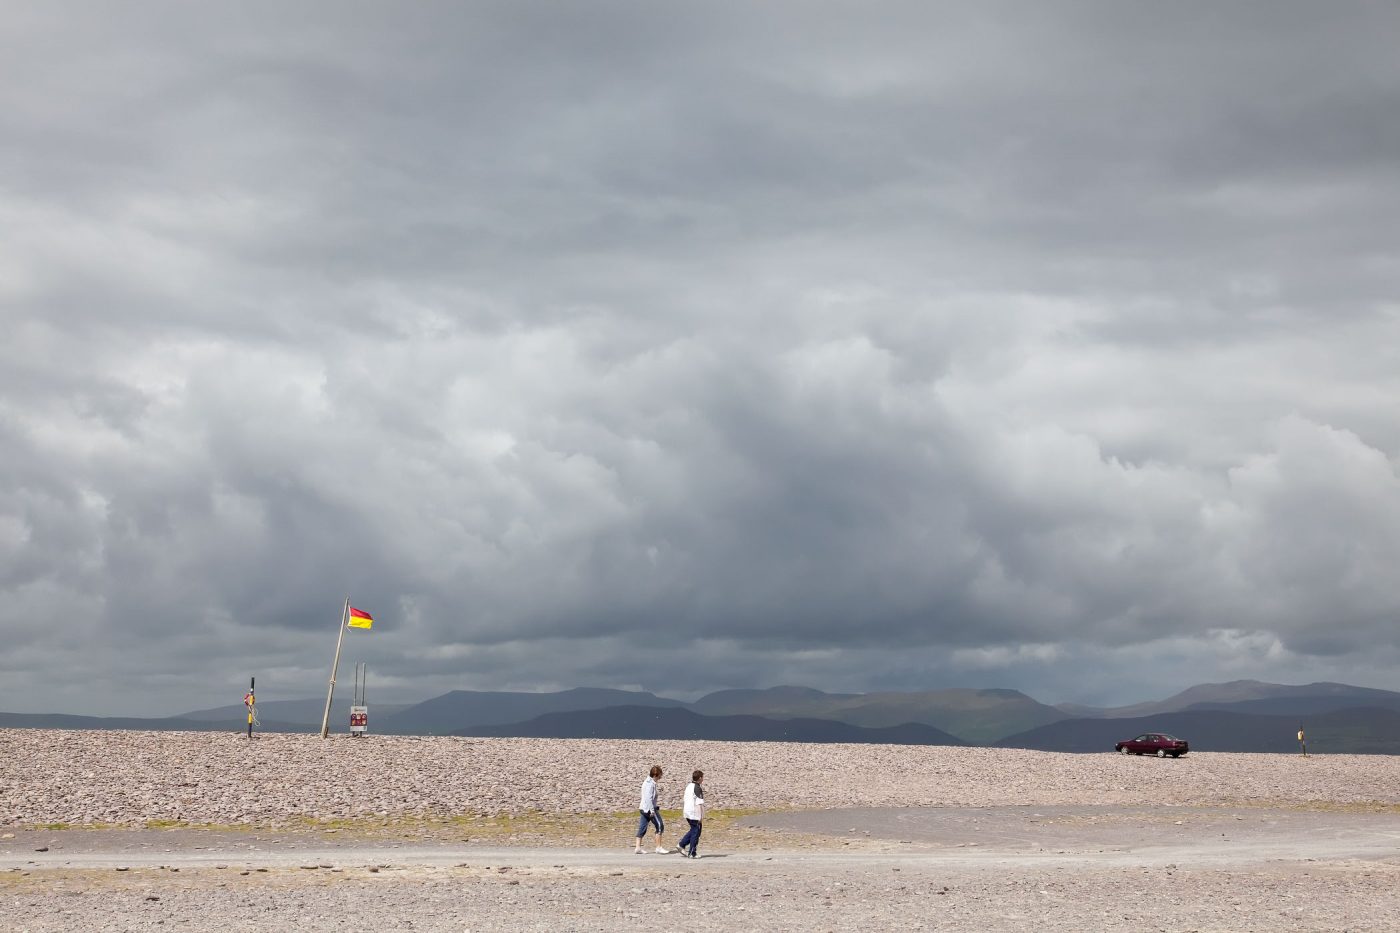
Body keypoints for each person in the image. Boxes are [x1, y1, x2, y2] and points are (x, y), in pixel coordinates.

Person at [633, 765, 668, 853]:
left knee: (642, 827)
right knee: (660, 825)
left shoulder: (648, 781)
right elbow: (648, 798)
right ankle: (658, 847)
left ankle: (637, 848)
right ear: (655, 775)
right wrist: (652, 811)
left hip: (643, 808)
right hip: (649, 809)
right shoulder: (650, 784)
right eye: (660, 775)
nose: (661, 777)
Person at [676, 769, 706, 858]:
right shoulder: (697, 788)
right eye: (702, 777)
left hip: (687, 811)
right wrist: (700, 816)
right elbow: (699, 803)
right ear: (700, 778)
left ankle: (682, 844)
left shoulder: (689, 786)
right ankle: (692, 852)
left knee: (694, 830)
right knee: (696, 831)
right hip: (694, 813)